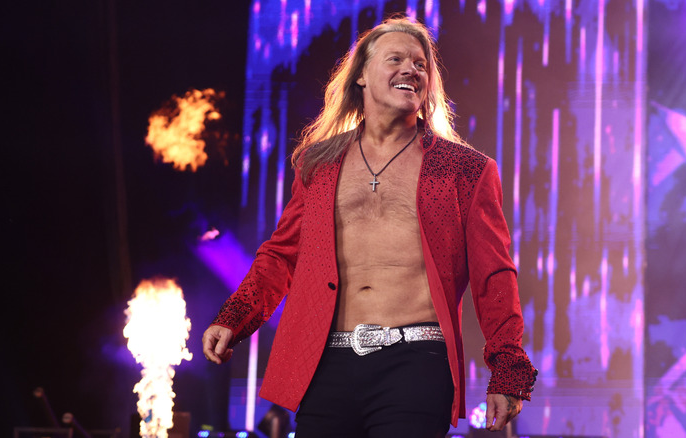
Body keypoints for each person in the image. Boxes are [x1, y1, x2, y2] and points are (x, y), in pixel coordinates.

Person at [203, 15, 536, 437]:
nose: (411, 69)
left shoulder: (465, 169)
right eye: (395, 59)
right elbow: (282, 255)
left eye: (420, 64)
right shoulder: (318, 163)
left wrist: (508, 370)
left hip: (416, 361)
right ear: (361, 75)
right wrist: (234, 317)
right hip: (327, 363)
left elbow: (494, 276)